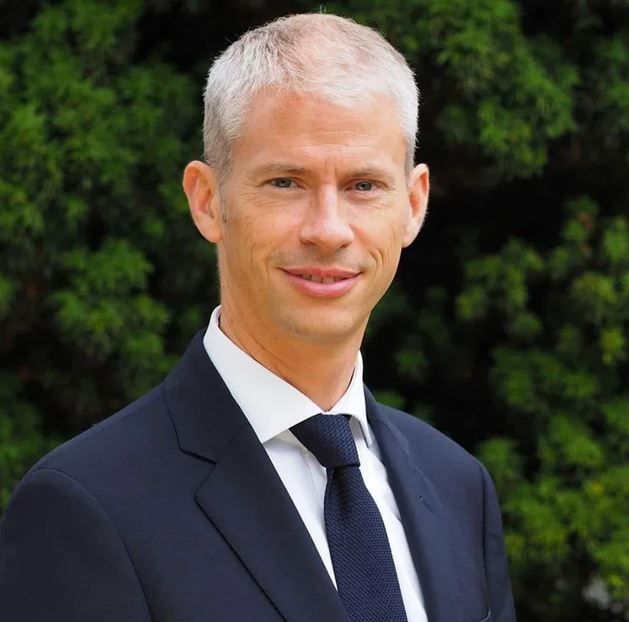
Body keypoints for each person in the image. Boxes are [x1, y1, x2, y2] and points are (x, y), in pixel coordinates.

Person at [0, 13, 516, 622]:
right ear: (207, 200)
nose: (328, 230)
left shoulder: (459, 488)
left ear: (413, 204)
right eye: (285, 182)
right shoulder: (86, 507)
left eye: (363, 186)